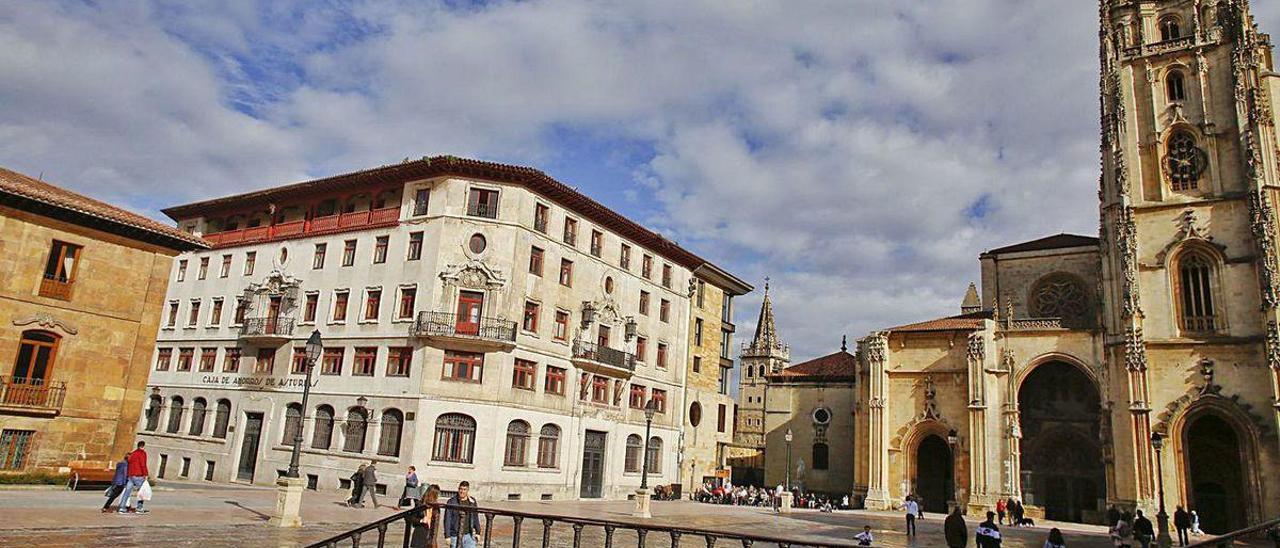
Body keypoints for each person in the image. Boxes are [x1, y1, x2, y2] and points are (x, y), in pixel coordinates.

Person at [444, 481, 481, 548]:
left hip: (468, 534)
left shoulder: (472, 502)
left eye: (464, 489)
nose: (462, 491)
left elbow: (475, 517)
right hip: (455, 534)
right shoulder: (452, 502)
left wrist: (478, 532)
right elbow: (447, 519)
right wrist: (447, 536)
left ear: (467, 490)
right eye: (460, 489)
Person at [117, 441, 149, 514]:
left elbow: (129, 462)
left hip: (131, 475)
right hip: (138, 475)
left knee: (127, 492)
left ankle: (122, 507)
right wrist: (145, 474)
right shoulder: (142, 453)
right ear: (143, 446)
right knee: (142, 491)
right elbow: (143, 464)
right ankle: (139, 508)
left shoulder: (133, 453)